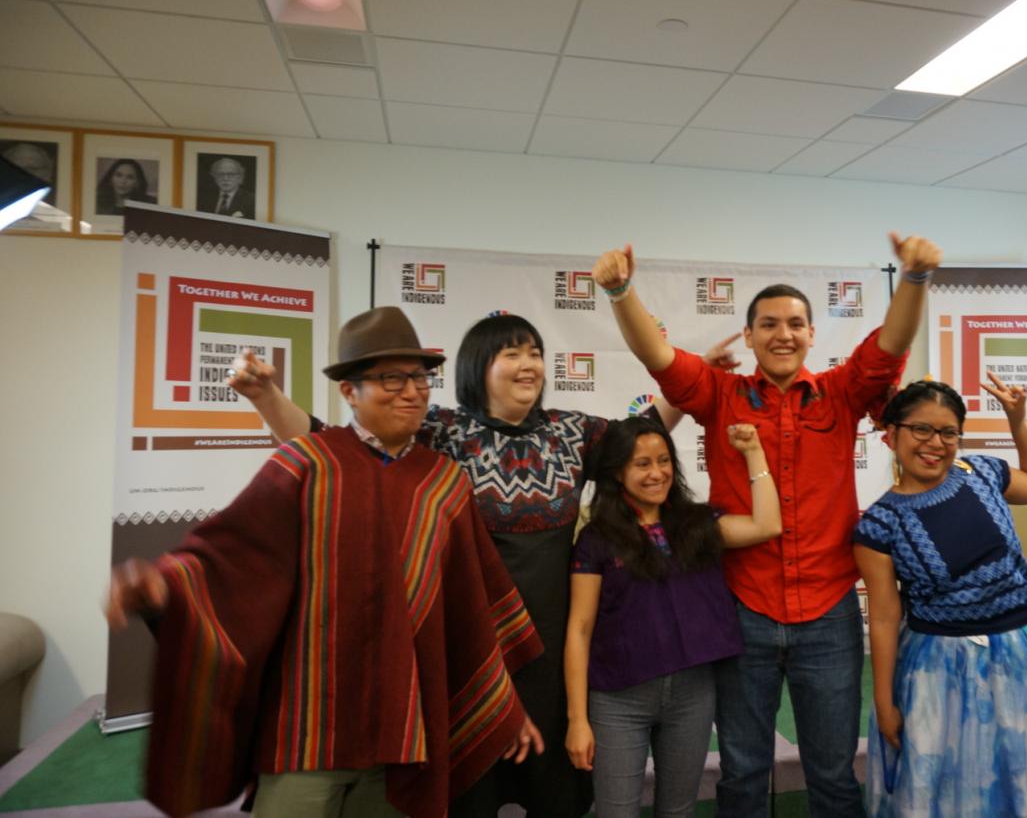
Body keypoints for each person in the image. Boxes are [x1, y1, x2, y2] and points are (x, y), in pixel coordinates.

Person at [231, 312, 732, 818]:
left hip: (553, 651)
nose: (528, 365)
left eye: (534, 352)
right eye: (511, 353)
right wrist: (265, 397)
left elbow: (641, 439)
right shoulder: (440, 431)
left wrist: (691, 380)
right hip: (467, 648)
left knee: (554, 790)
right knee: (469, 787)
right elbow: (324, 445)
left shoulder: (570, 432)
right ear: (477, 367)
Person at [104, 306, 545, 818]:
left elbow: (470, 607)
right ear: (349, 391)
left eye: (420, 378)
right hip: (307, 726)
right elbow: (230, 556)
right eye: (390, 378)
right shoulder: (307, 463)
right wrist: (164, 585)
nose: (411, 391)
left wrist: (503, 706)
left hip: (404, 727)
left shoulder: (444, 484)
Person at [592, 234, 942, 818]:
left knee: (832, 773)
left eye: (796, 324)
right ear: (750, 336)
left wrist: (913, 279)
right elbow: (658, 356)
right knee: (743, 771)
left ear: (810, 335)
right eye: (770, 324)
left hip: (828, 613)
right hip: (741, 611)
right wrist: (621, 291)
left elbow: (889, 346)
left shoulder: (842, 391)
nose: (784, 333)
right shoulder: (718, 394)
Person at [855, 377, 1027, 816]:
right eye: (921, 430)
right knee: (954, 789)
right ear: (892, 434)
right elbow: (886, 618)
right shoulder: (879, 525)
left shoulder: (981, 471)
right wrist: (883, 700)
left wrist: (1017, 421)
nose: (936, 443)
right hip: (940, 673)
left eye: (948, 432)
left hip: (1026, 655)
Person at [564, 417, 781, 817]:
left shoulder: (698, 524)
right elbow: (579, 630)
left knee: (678, 811)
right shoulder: (595, 539)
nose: (656, 473)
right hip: (617, 700)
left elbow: (768, 524)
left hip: (692, 694)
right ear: (617, 472)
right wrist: (578, 719)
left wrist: (753, 453)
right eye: (642, 464)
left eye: (663, 461)